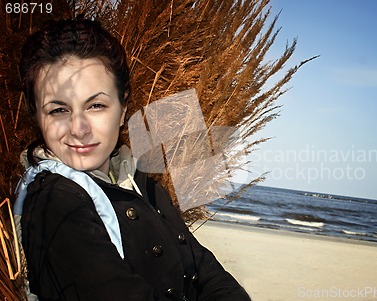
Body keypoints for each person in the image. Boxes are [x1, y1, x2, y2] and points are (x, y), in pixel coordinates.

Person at [14, 19, 251, 301]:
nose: (78, 128)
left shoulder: (141, 184)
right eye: (58, 110)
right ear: (37, 117)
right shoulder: (54, 200)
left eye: (96, 105)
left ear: (123, 107)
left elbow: (207, 271)